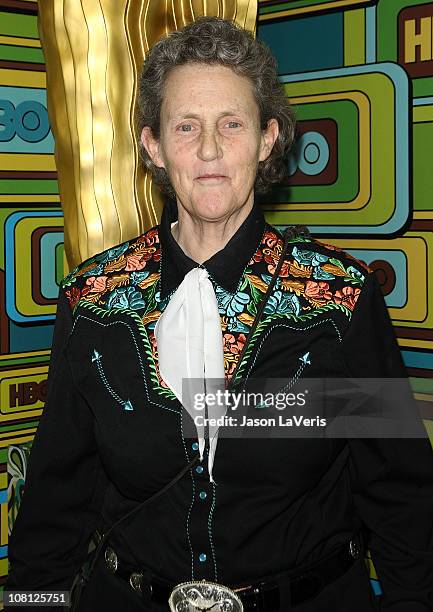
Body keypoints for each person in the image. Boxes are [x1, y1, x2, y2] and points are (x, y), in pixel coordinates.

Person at [5, 16, 433, 612]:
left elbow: (401, 499)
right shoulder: (91, 298)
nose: (209, 149)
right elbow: (54, 505)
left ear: (267, 139)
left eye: (231, 124)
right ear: (154, 146)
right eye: (187, 126)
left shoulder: (340, 298)